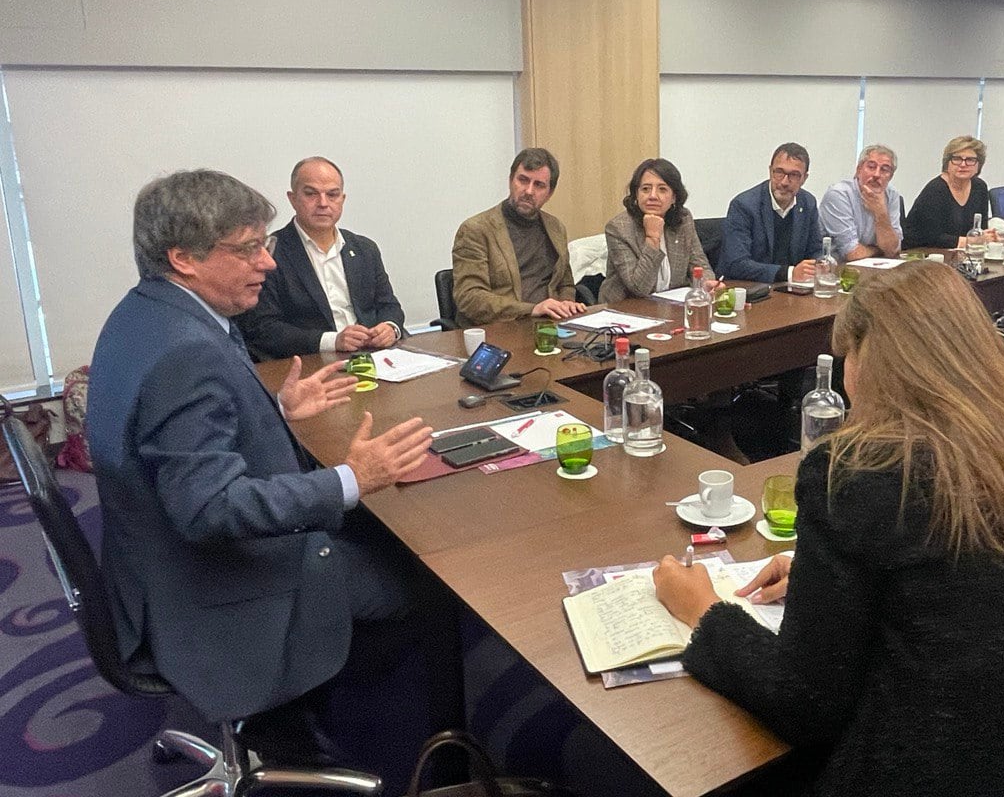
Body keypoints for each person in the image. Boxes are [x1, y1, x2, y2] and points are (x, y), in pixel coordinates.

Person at [653, 262, 1004, 797]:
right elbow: (958, 575)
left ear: (873, 361)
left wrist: (704, 611)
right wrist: (834, 584)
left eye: (849, 359)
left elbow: (803, 704)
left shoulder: (858, 470)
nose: (846, 381)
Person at [88, 170, 461, 775]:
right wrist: (350, 479)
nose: (267, 262)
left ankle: (305, 708)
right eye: (247, 249)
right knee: (427, 575)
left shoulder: (146, 316)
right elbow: (209, 509)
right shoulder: (187, 352)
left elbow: (178, 447)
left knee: (375, 534)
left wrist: (278, 411)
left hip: (150, 565)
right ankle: (395, 748)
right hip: (208, 587)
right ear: (182, 257)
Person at [236, 156, 405, 360]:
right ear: (292, 198)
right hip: (311, 362)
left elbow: (389, 305)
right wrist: (332, 341)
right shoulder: (270, 252)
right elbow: (263, 328)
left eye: (332, 195)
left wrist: (390, 327)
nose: (323, 203)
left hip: (373, 358)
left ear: (342, 199)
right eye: (311, 194)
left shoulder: (364, 249)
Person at [451, 148, 585, 327]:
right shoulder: (476, 230)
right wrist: (531, 309)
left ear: (550, 193)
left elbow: (565, 283)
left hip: (549, 328)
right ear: (510, 181)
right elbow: (470, 297)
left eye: (539, 185)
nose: (529, 191)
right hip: (500, 329)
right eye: (523, 180)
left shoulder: (555, 227)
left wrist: (566, 303)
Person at [600, 158, 715, 304]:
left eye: (662, 189)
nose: (652, 196)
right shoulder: (618, 228)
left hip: (671, 308)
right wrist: (652, 238)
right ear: (636, 195)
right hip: (626, 310)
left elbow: (699, 264)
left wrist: (706, 283)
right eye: (645, 189)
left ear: (674, 197)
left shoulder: (683, 220)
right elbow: (639, 288)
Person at [720, 142, 824, 284]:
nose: (784, 182)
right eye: (779, 172)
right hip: (751, 290)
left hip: (793, 288)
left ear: (804, 178)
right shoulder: (744, 206)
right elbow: (737, 264)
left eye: (794, 175)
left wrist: (820, 265)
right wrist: (789, 273)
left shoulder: (807, 203)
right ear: (770, 171)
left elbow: (816, 251)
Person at [903, 135, 991, 249]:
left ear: (978, 165)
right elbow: (931, 237)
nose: (963, 164)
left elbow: (981, 228)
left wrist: (988, 237)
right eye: (957, 159)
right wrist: (971, 241)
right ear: (947, 163)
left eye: (970, 160)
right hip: (922, 254)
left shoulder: (980, 187)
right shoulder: (935, 190)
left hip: (962, 254)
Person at [818, 144, 902, 261]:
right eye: (871, 167)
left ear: (891, 176)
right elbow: (852, 253)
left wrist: (881, 213)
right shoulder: (839, 194)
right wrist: (879, 249)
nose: (877, 175)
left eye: (884, 169)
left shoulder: (892, 195)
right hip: (837, 269)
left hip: (874, 266)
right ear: (858, 170)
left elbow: (893, 250)